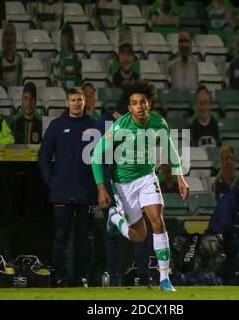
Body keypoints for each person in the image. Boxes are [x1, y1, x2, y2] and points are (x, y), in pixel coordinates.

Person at [91, 80, 190, 292]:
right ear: (129, 107)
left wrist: (180, 176)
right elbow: (96, 155)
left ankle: (164, 279)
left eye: (143, 102)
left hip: (147, 177)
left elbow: (170, 149)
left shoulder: (158, 122)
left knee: (157, 221)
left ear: (149, 103)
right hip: (123, 184)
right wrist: (101, 187)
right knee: (139, 235)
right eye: (134, 103)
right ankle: (115, 219)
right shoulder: (119, 127)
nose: (139, 107)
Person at [38, 87, 97, 287]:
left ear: (84, 102)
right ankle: (60, 277)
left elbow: (102, 157)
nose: (77, 103)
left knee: (86, 238)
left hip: (87, 193)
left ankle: (83, 278)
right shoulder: (56, 126)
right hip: (61, 193)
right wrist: (51, 181)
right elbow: (43, 156)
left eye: (80, 100)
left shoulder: (94, 125)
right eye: (73, 100)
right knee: (60, 238)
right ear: (67, 102)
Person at [96, 99, 152, 287]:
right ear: (117, 114)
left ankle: (143, 276)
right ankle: (115, 278)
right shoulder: (110, 131)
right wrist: (103, 188)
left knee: (140, 231)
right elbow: (99, 160)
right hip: (116, 188)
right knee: (115, 238)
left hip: (134, 187)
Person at [0, 23, 24, 88]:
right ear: (3, 38)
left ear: (15, 38)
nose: (9, 38)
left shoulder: (19, 58)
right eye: (7, 35)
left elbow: (20, 80)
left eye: (12, 35)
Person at [52, 23, 82, 91]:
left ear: (72, 38)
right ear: (61, 38)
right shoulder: (58, 58)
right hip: (62, 94)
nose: (67, 38)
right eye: (64, 35)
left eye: (69, 35)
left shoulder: (78, 57)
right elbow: (56, 79)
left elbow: (80, 77)